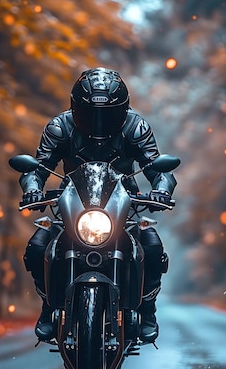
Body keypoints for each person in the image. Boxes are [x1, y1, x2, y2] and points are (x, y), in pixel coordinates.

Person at [19, 67, 177, 343]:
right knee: (37, 248)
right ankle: (47, 306)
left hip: (122, 203)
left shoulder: (135, 128)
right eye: (90, 113)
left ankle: (148, 310)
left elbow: (158, 168)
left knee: (152, 247)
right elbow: (37, 167)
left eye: (108, 114)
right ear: (76, 107)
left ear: (122, 110)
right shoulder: (60, 128)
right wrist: (33, 188)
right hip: (73, 203)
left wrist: (161, 191)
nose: (98, 122)